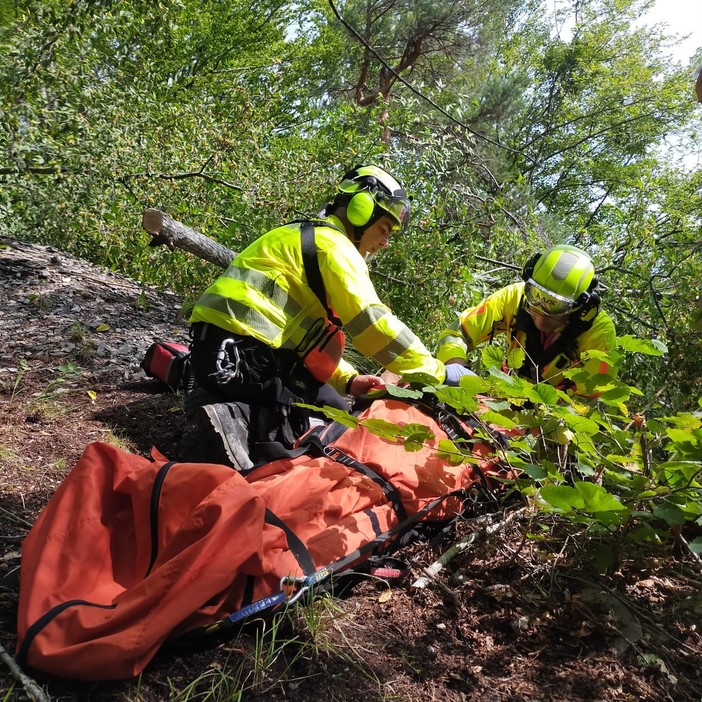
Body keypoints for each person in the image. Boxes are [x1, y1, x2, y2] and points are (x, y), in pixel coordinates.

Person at [185, 165, 454, 470]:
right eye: (383, 229)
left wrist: (349, 380)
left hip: (218, 351)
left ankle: (222, 402)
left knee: (337, 404)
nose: (385, 242)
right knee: (331, 423)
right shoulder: (335, 247)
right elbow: (374, 325)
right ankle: (236, 420)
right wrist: (439, 373)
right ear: (360, 211)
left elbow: (309, 342)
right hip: (246, 355)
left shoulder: (298, 234)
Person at [436, 245, 617, 395]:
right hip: (502, 398)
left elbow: (597, 399)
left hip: (555, 423)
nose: (541, 311)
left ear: (582, 304)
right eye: (536, 295)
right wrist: (455, 364)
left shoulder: (599, 333)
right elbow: (458, 332)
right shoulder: (514, 296)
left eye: (556, 305)